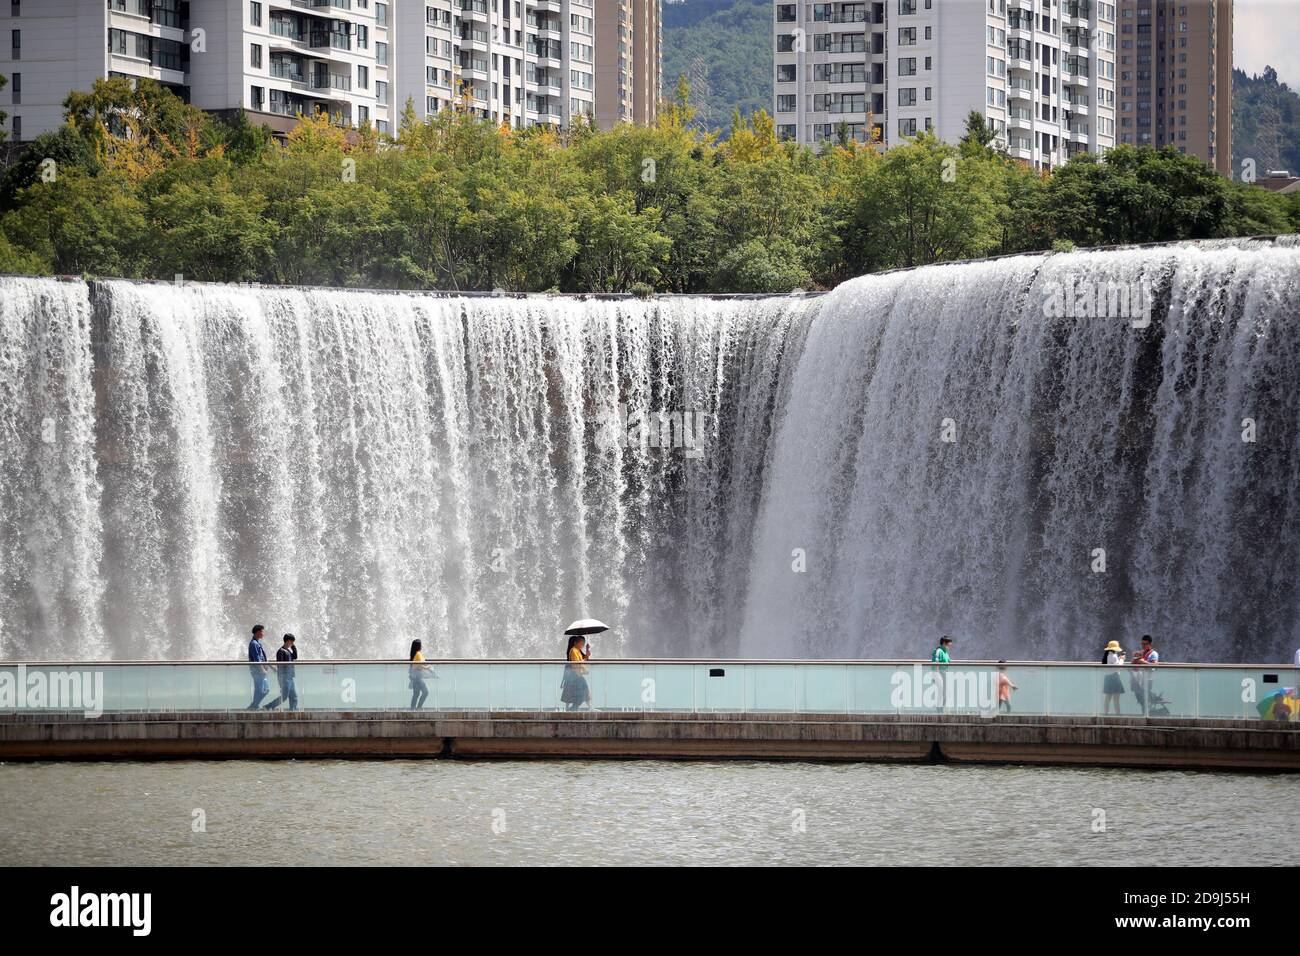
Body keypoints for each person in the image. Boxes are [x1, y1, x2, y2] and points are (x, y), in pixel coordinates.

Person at [263, 634, 299, 711]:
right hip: (284, 677)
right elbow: (280, 665)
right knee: (284, 696)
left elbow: (295, 657)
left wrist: (293, 647)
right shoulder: (281, 651)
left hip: (290, 677)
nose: (292, 643)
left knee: (294, 696)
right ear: (288, 641)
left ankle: (293, 710)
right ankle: (268, 706)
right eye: (292, 642)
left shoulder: (288, 650)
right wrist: (281, 680)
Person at [560, 635, 592, 711]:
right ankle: (581, 707)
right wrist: (584, 663)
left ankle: (582, 707)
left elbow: (582, 660)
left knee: (577, 690)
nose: (582, 645)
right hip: (575, 674)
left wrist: (587, 653)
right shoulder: (574, 651)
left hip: (577, 674)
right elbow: (577, 663)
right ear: (576, 643)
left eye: (583, 644)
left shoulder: (577, 650)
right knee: (582, 690)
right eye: (581, 643)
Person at [1129, 634, 1159, 711]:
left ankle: (1147, 712)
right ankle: (1146, 710)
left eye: (1145, 644)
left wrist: (1142, 662)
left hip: (1148, 679)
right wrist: (1134, 661)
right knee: (1139, 697)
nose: (1143, 645)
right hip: (1139, 679)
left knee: (1144, 697)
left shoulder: (1153, 654)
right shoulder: (1141, 653)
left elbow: (1154, 665)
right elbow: (1133, 665)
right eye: (1142, 644)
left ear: (1150, 644)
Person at [247, 624, 271, 710]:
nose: (263, 633)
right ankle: (253, 705)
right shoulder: (254, 644)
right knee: (265, 690)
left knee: (258, 690)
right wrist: (262, 669)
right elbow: (257, 658)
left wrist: (270, 667)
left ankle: (254, 706)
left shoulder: (257, 643)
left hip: (258, 670)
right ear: (257, 632)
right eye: (262, 631)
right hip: (258, 671)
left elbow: (263, 657)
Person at [1101, 640, 1125, 715]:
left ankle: (1105, 713)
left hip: (1107, 677)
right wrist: (1122, 659)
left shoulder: (1106, 656)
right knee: (1116, 699)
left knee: (1107, 698)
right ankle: (1118, 714)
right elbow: (1118, 667)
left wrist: (1118, 659)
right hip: (1114, 677)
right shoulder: (1114, 656)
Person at [930, 636, 952, 711]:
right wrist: (936, 676)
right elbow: (935, 663)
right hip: (938, 673)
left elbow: (949, 662)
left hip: (944, 674)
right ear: (944, 643)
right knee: (941, 691)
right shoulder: (938, 650)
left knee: (946, 692)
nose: (950, 645)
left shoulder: (946, 652)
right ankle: (939, 709)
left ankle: (941, 708)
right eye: (949, 644)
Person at [409, 639, 432, 710]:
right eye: (421, 645)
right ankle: (418, 708)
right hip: (417, 677)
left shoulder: (415, 654)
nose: (421, 646)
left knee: (416, 694)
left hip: (415, 676)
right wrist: (429, 667)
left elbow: (420, 663)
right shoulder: (418, 654)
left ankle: (413, 709)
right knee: (425, 692)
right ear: (418, 646)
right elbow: (421, 665)